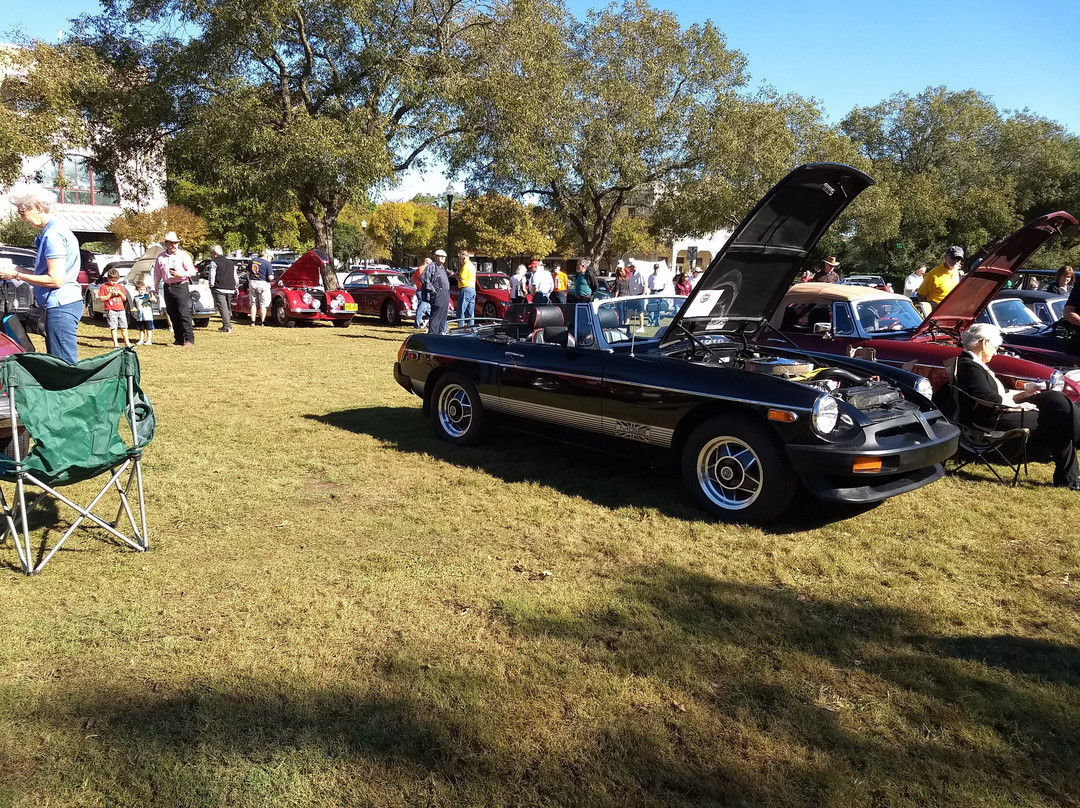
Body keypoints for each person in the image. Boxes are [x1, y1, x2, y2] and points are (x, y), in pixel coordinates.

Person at [954, 323, 1080, 491]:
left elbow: (995, 395)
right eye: (995, 347)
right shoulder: (969, 366)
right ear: (984, 343)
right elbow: (988, 398)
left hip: (997, 411)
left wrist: (1024, 394)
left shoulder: (972, 364)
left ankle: (1070, 472)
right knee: (1058, 418)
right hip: (991, 418)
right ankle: (1068, 479)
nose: (996, 352)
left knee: (1054, 398)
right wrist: (1019, 407)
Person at [0, 186, 83, 363]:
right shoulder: (57, 229)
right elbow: (51, 273)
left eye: (22, 211)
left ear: (37, 207)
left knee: (62, 366)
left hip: (61, 306)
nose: (22, 217)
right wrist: (18, 270)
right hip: (65, 304)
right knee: (59, 362)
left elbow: (55, 279)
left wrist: (17, 275)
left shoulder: (52, 235)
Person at [152, 231, 198, 346]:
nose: (173, 245)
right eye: (171, 243)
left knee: (183, 312)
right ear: (166, 243)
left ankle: (189, 339)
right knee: (172, 312)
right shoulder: (160, 257)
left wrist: (180, 274)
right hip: (168, 287)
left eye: (175, 243)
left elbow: (192, 271)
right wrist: (154, 288)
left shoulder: (183, 255)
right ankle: (179, 338)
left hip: (181, 286)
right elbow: (157, 274)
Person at [97, 267, 132, 347]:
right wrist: (110, 295)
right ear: (108, 278)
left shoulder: (120, 286)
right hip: (111, 309)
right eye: (112, 280)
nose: (113, 282)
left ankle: (127, 343)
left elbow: (124, 298)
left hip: (121, 309)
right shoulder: (104, 286)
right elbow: (102, 298)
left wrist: (120, 293)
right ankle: (116, 344)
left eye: (115, 280)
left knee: (124, 327)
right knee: (113, 327)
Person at [207, 245, 237, 333]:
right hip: (230, 288)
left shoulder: (214, 262)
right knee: (228, 307)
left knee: (223, 308)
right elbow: (235, 276)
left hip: (219, 288)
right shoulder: (231, 262)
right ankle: (227, 325)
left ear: (215, 253)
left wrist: (211, 285)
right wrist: (235, 286)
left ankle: (227, 326)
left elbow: (212, 275)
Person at [423, 249, 451, 334]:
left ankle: (440, 334)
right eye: (441, 257)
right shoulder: (432, 266)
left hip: (445, 294)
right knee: (436, 316)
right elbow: (424, 278)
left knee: (443, 315)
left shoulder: (442, 267)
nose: (443, 258)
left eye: (444, 257)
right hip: (437, 294)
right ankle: (433, 335)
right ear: (436, 257)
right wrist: (432, 290)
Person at [248, 250, 275, 326]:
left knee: (253, 303)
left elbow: (248, 273)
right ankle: (263, 322)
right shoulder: (267, 264)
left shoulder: (252, 261)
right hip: (263, 283)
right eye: (271, 258)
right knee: (263, 304)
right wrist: (273, 277)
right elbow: (270, 277)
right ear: (268, 256)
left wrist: (250, 281)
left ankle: (252, 322)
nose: (271, 260)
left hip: (252, 282)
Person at [131, 277, 156, 345]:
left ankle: (149, 340)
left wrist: (153, 298)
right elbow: (134, 305)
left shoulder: (148, 296)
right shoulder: (136, 298)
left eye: (143, 290)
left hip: (148, 316)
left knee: (148, 328)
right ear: (137, 290)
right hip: (140, 316)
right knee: (141, 329)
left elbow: (154, 301)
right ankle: (141, 340)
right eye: (140, 290)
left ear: (146, 290)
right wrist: (134, 309)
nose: (141, 291)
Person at [456, 249, 476, 326]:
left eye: (460, 259)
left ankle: (460, 328)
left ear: (464, 258)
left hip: (465, 289)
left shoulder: (465, 267)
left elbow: (462, 280)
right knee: (470, 312)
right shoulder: (472, 266)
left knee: (461, 311)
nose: (460, 261)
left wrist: (454, 275)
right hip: (472, 289)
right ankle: (471, 328)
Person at [412, 257, 432, 329]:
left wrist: (417, 284)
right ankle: (417, 324)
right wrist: (419, 285)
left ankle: (432, 321)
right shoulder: (422, 269)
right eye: (430, 264)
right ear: (426, 263)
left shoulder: (420, 269)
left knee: (427, 308)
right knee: (422, 307)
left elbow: (412, 278)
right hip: (422, 290)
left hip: (422, 290)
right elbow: (424, 279)